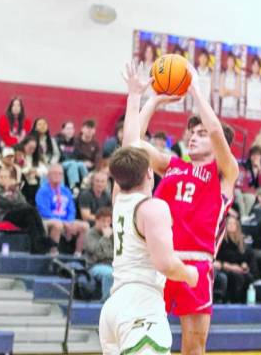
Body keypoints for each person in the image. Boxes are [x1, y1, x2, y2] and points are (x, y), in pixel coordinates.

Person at [122, 60, 238, 355]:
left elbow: (215, 130)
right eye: (191, 133)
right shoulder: (171, 165)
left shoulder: (225, 172)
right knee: (141, 343)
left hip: (196, 264)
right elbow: (133, 143)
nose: (193, 136)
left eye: (199, 134)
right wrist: (153, 100)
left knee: (193, 349)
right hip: (158, 262)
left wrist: (196, 91)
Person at [99, 147, 198, 355]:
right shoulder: (153, 207)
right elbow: (166, 265)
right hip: (140, 306)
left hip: (114, 307)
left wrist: (136, 112)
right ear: (149, 173)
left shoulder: (118, 201)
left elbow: (129, 144)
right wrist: (190, 274)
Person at [35, 163, 89, 256]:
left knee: (85, 225)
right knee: (58, 224)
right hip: (46, 220)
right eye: (54, 173)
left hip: (65, 220)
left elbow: (71, 209)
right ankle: (53, 253)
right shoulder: (43, 191)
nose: (57, 176)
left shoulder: (66, 191)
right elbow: (44, 211)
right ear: (48, 176)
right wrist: (63, 222)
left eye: (60, 173)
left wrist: (69, 221)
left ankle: (78, 254)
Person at [0, 167, 48, 254]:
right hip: (3, 216)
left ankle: (37, 248)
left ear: (10, 178)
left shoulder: (13, 189)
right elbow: (13, 203)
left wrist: (15, 191)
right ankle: (43, 241)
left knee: (31, 218)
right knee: (31, 210)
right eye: (0, 177)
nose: (2, 179)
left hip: (16, 215)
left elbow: (23, 202)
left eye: (5, 177)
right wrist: (9, 189)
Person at [214, 216, 253, 303]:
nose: (231, 225)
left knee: (249, 277)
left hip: (237, 268)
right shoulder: (221, 241)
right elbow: (218, 260)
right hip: (224, 267)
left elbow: (244, 257)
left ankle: (244, 303)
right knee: (236, 277)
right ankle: (234, 301)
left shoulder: (241, 242)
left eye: (234, 223)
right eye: (229, 223)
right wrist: (232, 267)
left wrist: (244, 264)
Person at [85, 207, 114, 302]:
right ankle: (106, 302)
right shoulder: (90, 234)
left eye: (108, 221)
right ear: (96, 220)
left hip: (111, 264)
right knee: (110, 274)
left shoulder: (113, 235)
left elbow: (114, 254)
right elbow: (96, 253)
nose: (106, 224)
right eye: (103, 221)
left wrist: (106, 254)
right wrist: (105, 238)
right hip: (94, 266)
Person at [235, 145, 261, 220]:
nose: (256, 157)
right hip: (246, 190)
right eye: (254, 154)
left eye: (258, 155)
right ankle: (244, 217)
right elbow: (240, 184)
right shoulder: (244, 167)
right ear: (250, 156)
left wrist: (260, 169)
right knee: (250, 198)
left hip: (255, 191)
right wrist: (256, 195)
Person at [56, 121, 89, 190]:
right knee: (73, 163)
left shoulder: (75, 142)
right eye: (68, 129)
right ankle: (74, 187)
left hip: (72, 162)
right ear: (63, 130)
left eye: (71, 129)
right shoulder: (57, 140)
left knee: (81, 164)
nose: (70, 131)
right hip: (61, 163)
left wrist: (85, 161)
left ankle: (87, 184)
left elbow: (79, 155)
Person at [190, 49, 214, 113]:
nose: (203, 59)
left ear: (207, 59)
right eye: (201, 57)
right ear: (199, 58)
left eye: (205, 57)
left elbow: (212, 89)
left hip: (207, 105)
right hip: (196, 104)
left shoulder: (210, 72)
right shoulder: (194, 71)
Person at [219, 54, 242, 118]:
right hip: (224, 108)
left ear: (234, 63)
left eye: (232, 61)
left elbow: (237, 94)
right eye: (229, 61)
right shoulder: (223, 75)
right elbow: (221, 94)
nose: (230, 63)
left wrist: (226, 91)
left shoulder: (237, 76)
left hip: (234, 109)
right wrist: (232, 92)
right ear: (227, 62)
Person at [244, 56, 261, 120]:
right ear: (251, 66)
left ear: (259, 67)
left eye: (257, 65)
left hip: (259, 112)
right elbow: (245, 95)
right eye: (254, 65)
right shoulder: (247, 80)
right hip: (249, 111)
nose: (255, 67)